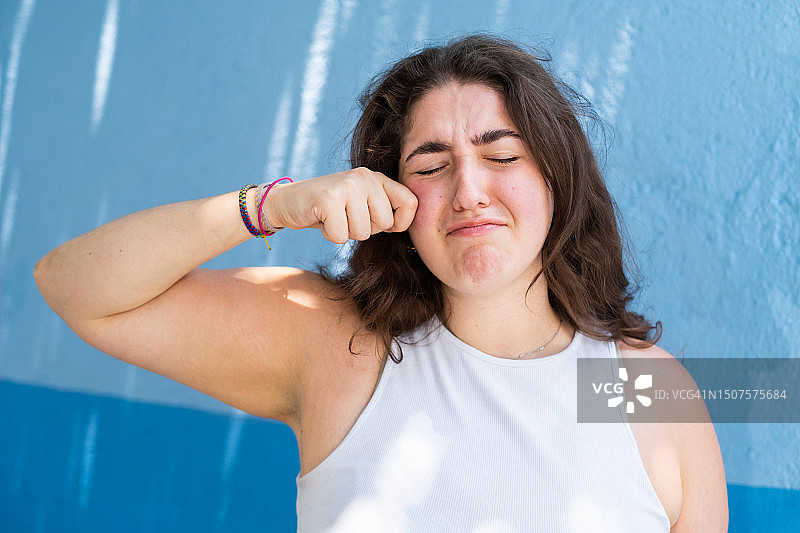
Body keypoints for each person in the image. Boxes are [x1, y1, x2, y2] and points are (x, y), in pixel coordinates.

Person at [35, 35, 727, 531]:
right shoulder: (333, 340)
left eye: (502, 153)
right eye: (431, 164)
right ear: (392, 197)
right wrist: (274, 204)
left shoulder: (652, 389)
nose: (469, 191)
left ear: (557, 177)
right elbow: (74, 286)